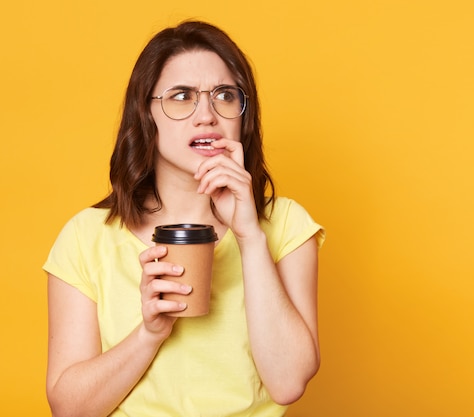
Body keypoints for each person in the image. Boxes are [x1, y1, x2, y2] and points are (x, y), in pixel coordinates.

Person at [43, 20, 324, 417]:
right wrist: (149, 334)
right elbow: (68, 409)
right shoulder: (86, 237)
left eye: (225, 95)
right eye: (182, 96)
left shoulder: (286, 226)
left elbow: (289, 381)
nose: (207, 115)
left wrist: (249, 236)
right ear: (145, 114)